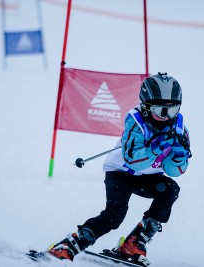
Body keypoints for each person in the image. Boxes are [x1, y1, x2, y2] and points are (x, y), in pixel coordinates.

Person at [38, 72, 191, 265]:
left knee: (170, 189)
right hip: (121, 173)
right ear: (145, 106)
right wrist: (154, 149)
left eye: (172, 109)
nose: (166, 117)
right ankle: (70, 245)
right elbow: (133, 160)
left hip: (148, 177)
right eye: (160, 110)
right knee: (115, 215)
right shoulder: (136, 122)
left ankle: (134, 242)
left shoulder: (179, 128)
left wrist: (178, 156)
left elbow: (174, 171)